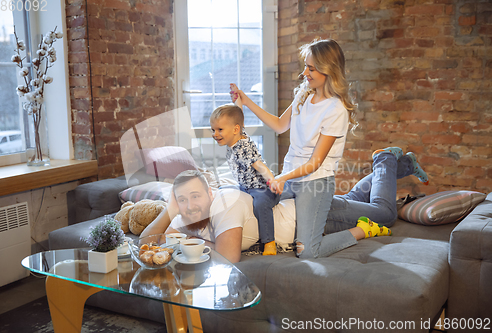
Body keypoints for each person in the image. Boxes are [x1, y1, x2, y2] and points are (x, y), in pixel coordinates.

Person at [141, 148, 429, 263]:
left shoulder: (224, 204)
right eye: (182, 199)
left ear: (210, 192)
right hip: (310, 209)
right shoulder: (184, 213)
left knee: (386, 213)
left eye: (195, 196)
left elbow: (228, 257)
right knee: (353, 200)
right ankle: (399, 164)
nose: (190, 205)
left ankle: (385, 160)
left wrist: (181, 244)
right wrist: (169, 211)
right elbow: (145, 244)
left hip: (315, 217)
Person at [229, 38, 357, 259]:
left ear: (329, 70)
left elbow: (315, 163)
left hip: (315, 181)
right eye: (305, 66)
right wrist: (246, 101)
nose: (304, 73)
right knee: (254, 198)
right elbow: (279, 125)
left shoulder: (336, 110)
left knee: (307, 252)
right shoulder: (304, 93)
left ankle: (362, 230)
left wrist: (281, 177)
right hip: (290, 175)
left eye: (311, 68)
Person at [210, 104, 280, 256]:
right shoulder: (235, 137)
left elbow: (260, 166)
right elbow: (237, 119)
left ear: (235, 130)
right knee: (223, 190)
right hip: (245, 186)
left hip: (262, 188)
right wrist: (237, 100)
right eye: (213, 130)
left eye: (220, 130)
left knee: (260, 204)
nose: (215, 134)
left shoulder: (244, 147)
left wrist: (273, 181)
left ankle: (269, 242)